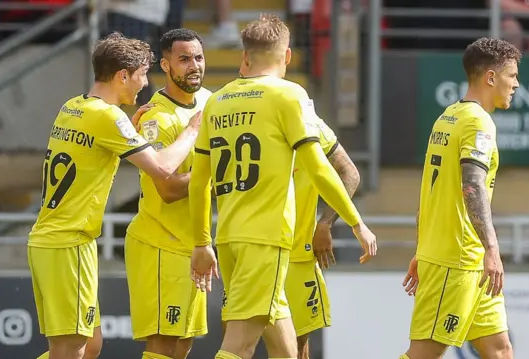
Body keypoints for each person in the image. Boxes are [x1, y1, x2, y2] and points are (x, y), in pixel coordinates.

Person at [188, 14, 378, 359]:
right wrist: (356, 222)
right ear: (287, 56)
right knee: (240, 343)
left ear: (244, 58)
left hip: (229, 237)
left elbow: (200, 180)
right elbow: (319, 167)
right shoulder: (289, 95)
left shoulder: (216, 101)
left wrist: (202, 241)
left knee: (285, 345)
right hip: (266, 238)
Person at [27, 32, 201, 359]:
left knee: (90, 345)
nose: (145, 83)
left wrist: (130, 132)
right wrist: (192, 130)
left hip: (50, 241)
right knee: (71, 349)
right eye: (141, 75)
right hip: (69, 243)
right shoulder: (108, 117)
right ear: (123, 75)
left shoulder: (73, 106)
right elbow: (163, 168)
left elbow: (96, 149)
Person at [398, 37, 520, 359]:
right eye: (512, 75)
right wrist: (493, 248)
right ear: (491, 78)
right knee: (423, 355)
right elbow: (472, 185)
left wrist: (423, 247)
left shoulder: (448, 116)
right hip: (458, 259)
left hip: (471, 261)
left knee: (500, 350)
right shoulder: (479, 122)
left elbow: (432, 189)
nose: (516, 84)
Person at [236, 62, 361, 359]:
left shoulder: (312, 126)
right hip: (255, 251)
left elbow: (350, 174)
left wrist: (324, 223)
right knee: (243, 342)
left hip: (297, 256)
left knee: (296, 348)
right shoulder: (244, 125)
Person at [125, 28, 211, 359]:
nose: (194, 66)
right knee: (163, 343)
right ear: (166, 65)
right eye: (184, 59)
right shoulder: (156, 118)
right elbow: (169, 189)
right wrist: (216, 174)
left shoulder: (209, 102)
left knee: (183, 344)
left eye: (199, 57)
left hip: (190, 244)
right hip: (160, 242)